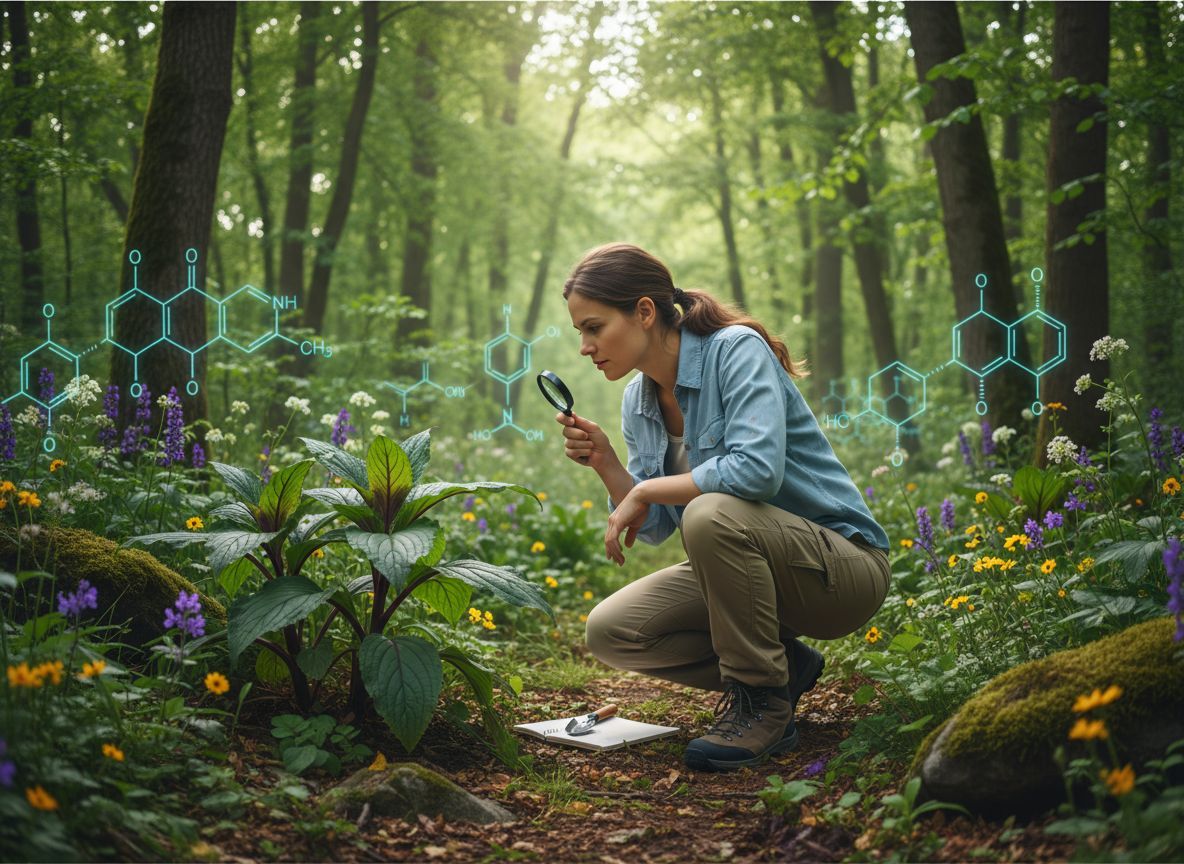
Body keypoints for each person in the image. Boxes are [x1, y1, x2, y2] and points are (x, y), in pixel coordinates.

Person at [555, 242, 891, 772]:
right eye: (580, 332)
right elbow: (656, 527)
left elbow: (756, 472)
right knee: (612, 630)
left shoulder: (734, 351)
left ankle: (762, 703)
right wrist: (607, 464)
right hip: (751, 568)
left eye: (594, 327)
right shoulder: (638, 401)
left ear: (644, 311)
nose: (584, 347)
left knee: (709, 513)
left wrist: (644, 491)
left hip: (842, 571)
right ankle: (786, 670)